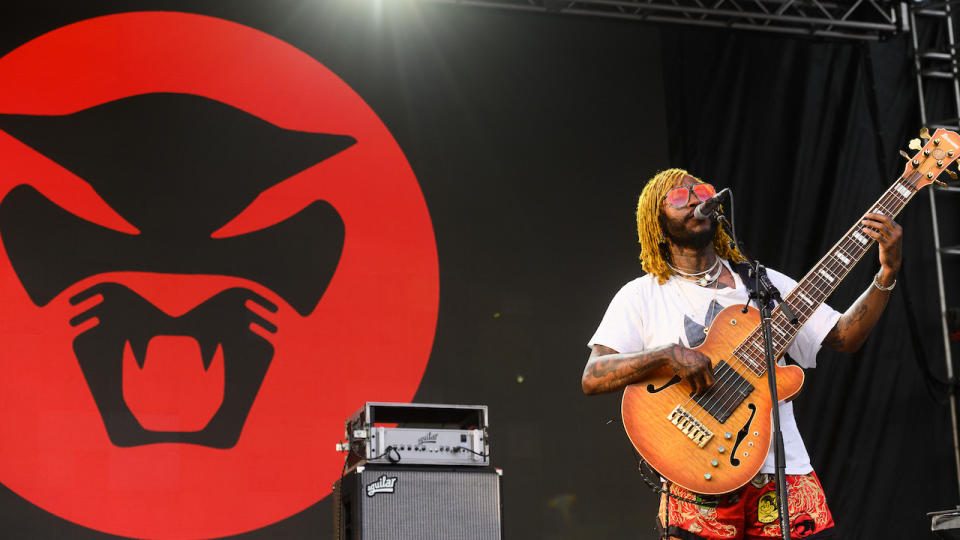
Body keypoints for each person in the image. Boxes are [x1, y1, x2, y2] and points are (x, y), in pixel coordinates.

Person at [581, 168, 902, 540]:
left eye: (700, 191)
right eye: (680, 197)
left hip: (783, 472)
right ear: (657, 221)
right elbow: (594, 375)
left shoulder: (764, 283)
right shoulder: (642, 295)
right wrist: (667, 354)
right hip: (694, 471)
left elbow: (844, 336)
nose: (697, 199)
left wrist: (887, 272)